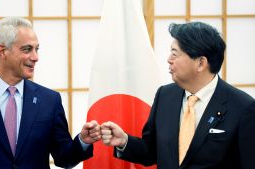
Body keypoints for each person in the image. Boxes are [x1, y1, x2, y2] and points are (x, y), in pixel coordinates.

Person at [100, 22, 255, 169]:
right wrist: (124, 141)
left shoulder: (243, 107)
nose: (169, 60)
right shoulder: (165, 96)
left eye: (175, 54)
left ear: (200, 63)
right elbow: (151, 151)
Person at [0, 17, 101, 169]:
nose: (35, 57)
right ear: (2, 51)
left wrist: (83, 141)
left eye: (36, 49)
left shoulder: (50, 101)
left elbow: (64, 158)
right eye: (27, 49)